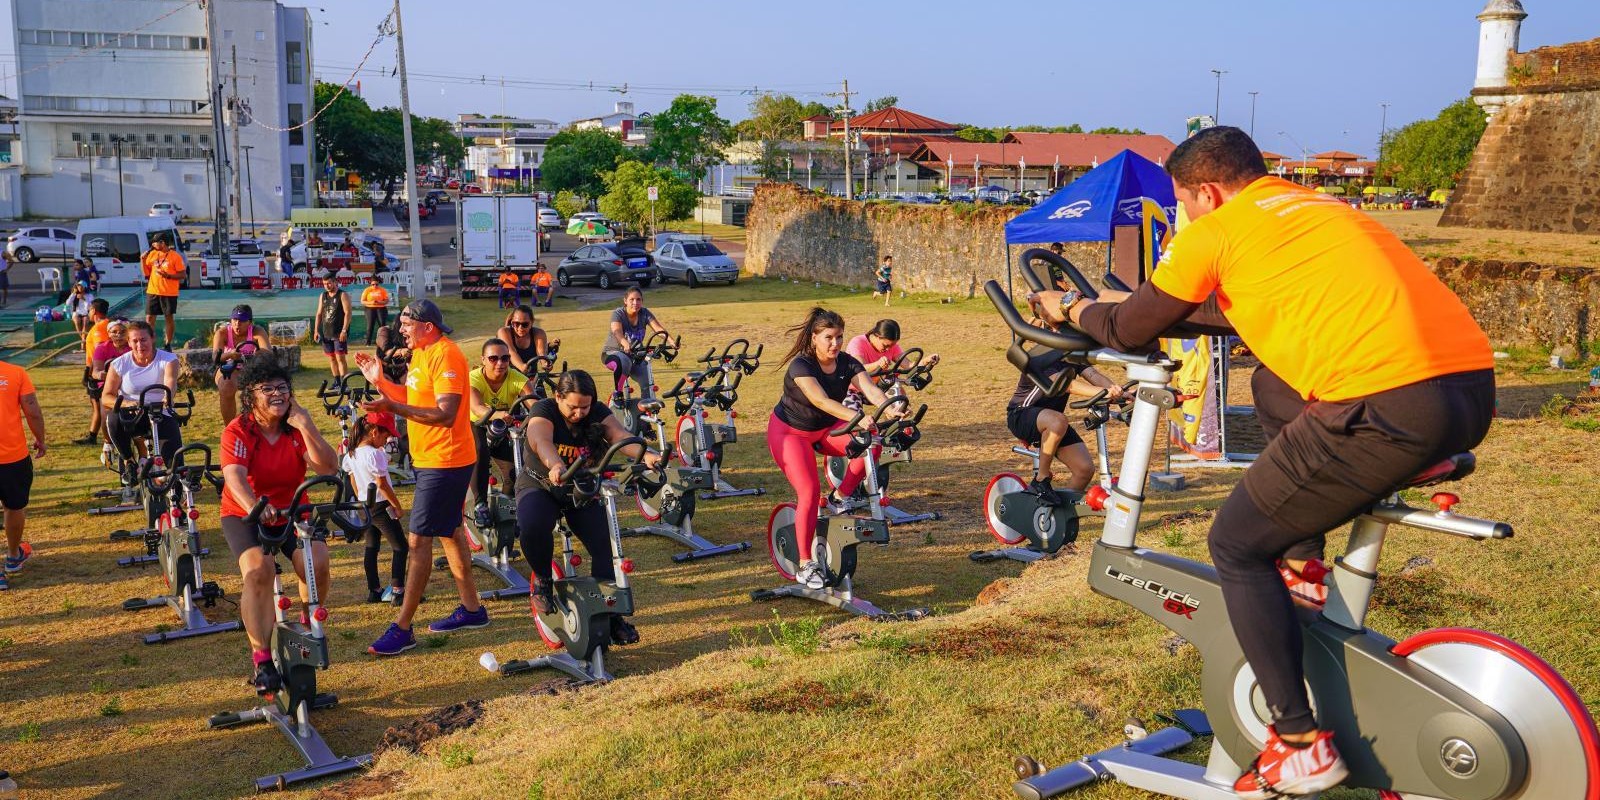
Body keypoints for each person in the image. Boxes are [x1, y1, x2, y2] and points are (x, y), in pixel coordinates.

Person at [1029, 126, 1495, 798]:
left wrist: (1071, 307)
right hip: (1466, 396)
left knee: (1237, 544)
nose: (1183, 216)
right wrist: (1141, 310)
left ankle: (1299, 743)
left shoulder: (1212, 231)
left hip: (1384, 409)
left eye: (1184, 204)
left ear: (1207, 193)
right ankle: (1302, 567)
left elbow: (1130, 328)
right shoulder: (1317, 209)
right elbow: (1226, 314)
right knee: (1272, 385)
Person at [354, 299, 489, 656]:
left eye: (406, 323)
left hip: (446, 460)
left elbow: (445, 414)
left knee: (418, 541)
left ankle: (403, 627)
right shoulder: (422, 354)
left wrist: (392, 408)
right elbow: (412, 396)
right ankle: (473, 610)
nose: (400, 330)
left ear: (427, 325)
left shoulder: (446, 355)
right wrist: (380, 381)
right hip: (430, 458)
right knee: (450, 531)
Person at [218, 358, 340, 697]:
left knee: (315, 559)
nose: (277, 394)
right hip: (246, 511)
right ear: (251, 396)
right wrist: (257, 507)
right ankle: (261, 659)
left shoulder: (294, 429)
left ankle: (305, 622)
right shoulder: (239, 430)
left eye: (282, 388)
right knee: (259, 569)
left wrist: (307, 425)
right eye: (267, 389)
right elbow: (234, 478)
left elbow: (328, 467)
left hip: (293, 506)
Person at [517, 370, 655, 643]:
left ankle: (610, 614)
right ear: (558, 397)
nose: (580, 413)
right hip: (541, 484)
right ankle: (543, 581)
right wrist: (555, 463)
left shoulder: (596, 412)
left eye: (585, 407)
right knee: (532, 526)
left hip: (580, 488)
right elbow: (540, 440)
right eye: (572, 407)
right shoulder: (544, 410)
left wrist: (647, 454)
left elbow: (618, 436)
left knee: (606, 546)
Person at [766, 307, 898, 590]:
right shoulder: (802, 366)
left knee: (870, 446)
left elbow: (870, 389)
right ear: (814, 338)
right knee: (809, 492)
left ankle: (840, 497)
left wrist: (891, 407)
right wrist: (856, 417)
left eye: (839, 337)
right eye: (828, 337)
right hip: (790, 434)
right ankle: (805, 564)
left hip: (824, 431)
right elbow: (822, 401)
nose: (835, 344)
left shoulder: (847, 363)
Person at [1005, 315, 1124, 503]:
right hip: (1022, 415)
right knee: (1058, 420)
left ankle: (1055, 513)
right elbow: (1068, 385)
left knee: (1084, 469)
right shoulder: (1041, 356)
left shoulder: (1072, 355)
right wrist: (1105, 392)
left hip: (1052, 422)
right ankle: (1041, 481)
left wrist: (1121, 393)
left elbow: (1094, 375)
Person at [341, 411, 409, 604]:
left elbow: (353, 479)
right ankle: (398, 591)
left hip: (365, 505)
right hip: (380, 505)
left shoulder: (352, 454)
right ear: (374, 432)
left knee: (372, 547)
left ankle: (374, 590)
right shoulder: (375, 454)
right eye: (386, 436)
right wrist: (396, 505)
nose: (387, 440)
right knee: (400, 546)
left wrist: (361, 498)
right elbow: (382, 484)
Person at [101, 320, 183, 467]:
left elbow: (170, 383)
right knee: (113, 419)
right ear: (129, 342)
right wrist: (127, 404)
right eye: (135, 341)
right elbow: (106, 396)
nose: (140, 345)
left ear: (153, 338)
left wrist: (167, 398)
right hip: (131, 414)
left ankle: (177, 481)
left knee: (174, 455)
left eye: (144, 340)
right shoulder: (119, 364)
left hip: (159, 411)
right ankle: (129, 460)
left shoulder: (168, 359)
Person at [468, 339, 532, 528]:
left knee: (517, 466)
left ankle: (507, 505)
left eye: (505, 358)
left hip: (503, 427)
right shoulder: (473, 378)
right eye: (493, 358)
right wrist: (498, 414)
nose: (500, 363)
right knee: (480, 451)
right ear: (483, 360)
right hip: (475, 423)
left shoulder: (516, 377)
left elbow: (534, 404)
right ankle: (480, 505)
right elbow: (477, 407)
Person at [0, 360, 46, 591]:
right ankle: (12, 556)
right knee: (14, 507)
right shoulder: (15, 373)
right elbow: (32, 411)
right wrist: (40, 439)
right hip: (12, 457)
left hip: (12, 456)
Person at [600, 287, 669, 396]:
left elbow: (659, 329)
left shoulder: (644, 313)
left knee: (646, 378)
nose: (635, 303)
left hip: (634, 355)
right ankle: (618, 394)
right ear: (625, 301)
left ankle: (646, 408)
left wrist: (671, 341)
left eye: (638, 299)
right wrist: (625, 343)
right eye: (632, 299)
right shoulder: (618, 313)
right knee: (624, 360)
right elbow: (617, 331)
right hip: (611, 355)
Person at [211, 304, 270, 424]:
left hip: (250, 368)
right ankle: (230, 429)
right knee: (226, 386)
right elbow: (215, 357)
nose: (237, 324)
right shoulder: (222, 333)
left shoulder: (257, 331)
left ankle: (262, 424)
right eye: (234, 320)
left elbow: (267, 353)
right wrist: (230, 355)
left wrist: (257, 354)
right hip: (228, 368)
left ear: (250, 322)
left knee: (266, 388)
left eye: (242, 321)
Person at [90, 319, 132, 459]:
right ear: (108, 334)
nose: (118, 335)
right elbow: (95, 371)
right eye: (114, 332)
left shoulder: (133, 347)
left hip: (130, 385)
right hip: (109, 385)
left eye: (122, 332)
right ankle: (108, 441)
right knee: (105, 414)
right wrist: (102, 374)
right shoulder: (102, 348)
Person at [843, 319, 940, 377]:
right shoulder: (857, 343)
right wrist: (878, 364)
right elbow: (859, 368)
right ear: (876, 336)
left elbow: (909, 366)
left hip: (878, 387)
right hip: (855, 387)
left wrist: (926, 361)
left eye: (892, 346)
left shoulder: (892, 347)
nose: (888, 350)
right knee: (854, 411)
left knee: (901, 404)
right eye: (885, 346)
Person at [76, 300, 112, 445]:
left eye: (90, 309)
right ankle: (92, 436)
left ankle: (107, 439)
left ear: (94, 311)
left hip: (97, 373)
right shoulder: (104, 325)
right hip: (96, 371)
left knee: (100, 406)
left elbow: (99, 350)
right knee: (97, 406)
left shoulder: (99, 328)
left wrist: (89, 371)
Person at [141, 235, 185, 350]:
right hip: (153, 290)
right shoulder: (153, 254)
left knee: (168, 317)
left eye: (155, 243)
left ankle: (167, 343)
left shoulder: (175, 256)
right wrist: (142, 259)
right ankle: (150, 343)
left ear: (162, 242)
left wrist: (168, 276)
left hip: (169, 292)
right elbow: (146, 273)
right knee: (149, 318)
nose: (153, 245)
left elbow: (182, 275)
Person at [495, 306, 556, 378]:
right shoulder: (503, 332)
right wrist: (521, 366)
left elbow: (541, 353)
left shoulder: (539, 333)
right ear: (512, 322)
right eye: (516, 324)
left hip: (532, 378)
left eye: (525, 324)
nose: (520, 328)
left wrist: (545, 364)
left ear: (532, 322)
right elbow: (511, 351)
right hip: (508, 377)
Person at [314, 271, 351, 379]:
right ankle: (337, 382)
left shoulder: (342, 295)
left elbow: (348, 313)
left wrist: (344, 330)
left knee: (340, 358)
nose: (327, 286)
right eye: (324, 284)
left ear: (335, 282)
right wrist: (316, 330)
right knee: (332, 358)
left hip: (339, 333)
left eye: (329, 283)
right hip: (326, 333)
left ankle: (345, 383)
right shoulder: (323, 295)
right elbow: (319, 314)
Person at [360, 274, 390, 346]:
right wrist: (371, 302)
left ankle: (384, 342)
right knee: (370, 325)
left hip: (381, 308)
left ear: (378, 283)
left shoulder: (382, 290)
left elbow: (386, 301)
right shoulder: (367, 290)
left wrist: (379, 302)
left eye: (376, 284)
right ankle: (368, 342)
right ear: (370, 284)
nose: (374, 286)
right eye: (373, 284)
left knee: (382, 325)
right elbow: (362, 301)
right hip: (369, 308)